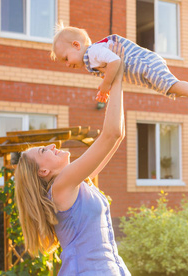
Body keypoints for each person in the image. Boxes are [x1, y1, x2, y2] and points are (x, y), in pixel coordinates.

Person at [14, 43, 131, 275]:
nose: (51, 145)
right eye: (43, 151)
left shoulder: (78, 184)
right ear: (43, 172)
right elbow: (111, 134)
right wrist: (114, 75)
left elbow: (118, 137)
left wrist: (115, 73)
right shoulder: (61, 186)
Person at [50, 24, 188, 123]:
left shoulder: (93, 52)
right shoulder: (91, 58)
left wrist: (105, 86)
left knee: (172, 86)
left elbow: (116, 61)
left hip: (144, 64)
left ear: (76, 45)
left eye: (65, 58)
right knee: (173, 88)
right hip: (144, 69)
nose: (66, 64)